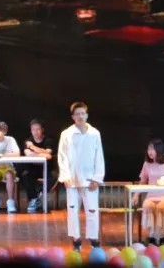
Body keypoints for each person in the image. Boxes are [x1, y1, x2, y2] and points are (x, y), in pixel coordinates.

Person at [58, 101, 105, 250]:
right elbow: (62, 156)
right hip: (72, 179)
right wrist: (65, 175)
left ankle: (94, 240)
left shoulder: (94, 133)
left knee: (92, 210)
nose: (80, 116)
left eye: (82, 113)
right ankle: (76, 240)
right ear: (73, 117)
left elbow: (99, 157)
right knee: (72, 210)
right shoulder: (66, 134)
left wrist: (97, 178)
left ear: (87, 115)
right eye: (77, 114)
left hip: (90, 180)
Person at [134, 138, 164, 245]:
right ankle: (152, 237)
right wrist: (136, 195)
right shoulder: (147, 164)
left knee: (161, 207)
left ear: (159, 150)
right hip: (151, 196)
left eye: (152, 149)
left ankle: (161, 237)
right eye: (148, 149)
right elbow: (142, 181)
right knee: (148, 205)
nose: (150, 152)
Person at [19, 118, 55, 212]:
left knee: (53, 178)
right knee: (25, 176)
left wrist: (32, 147)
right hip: (32, 168)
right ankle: (35, 199)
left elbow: (48, 154)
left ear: (42, 129)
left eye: (38, 129)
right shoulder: (28, 141)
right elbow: (28, 154)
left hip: (46, 168)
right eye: (33, 129)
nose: (35, 132)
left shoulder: (48, 140)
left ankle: (39, 195)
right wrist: (42, 153)